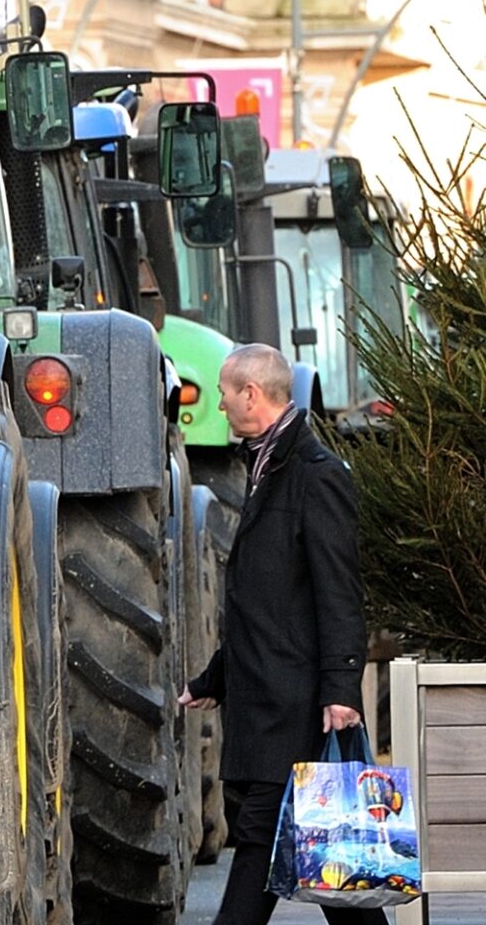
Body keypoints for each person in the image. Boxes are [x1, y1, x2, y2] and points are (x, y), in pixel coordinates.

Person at [178, 343, 380, 925]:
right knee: (338, 874)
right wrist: (215, 678)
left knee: (263, 842)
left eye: (224, 392)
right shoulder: (266, 467)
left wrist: (341, 689)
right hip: (269, 696)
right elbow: (268, 602)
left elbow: (338, 592)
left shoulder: (315, 475)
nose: (219, 402)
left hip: (296, 706)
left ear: (251, 394)